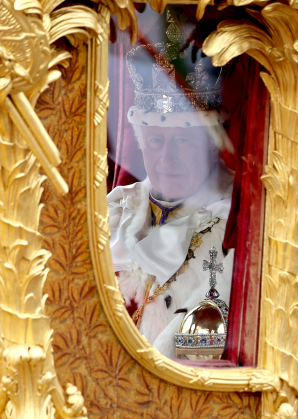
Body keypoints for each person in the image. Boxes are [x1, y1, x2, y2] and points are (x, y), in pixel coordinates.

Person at [107, 38, 234, 358]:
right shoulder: (114, 208)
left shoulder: (233, 223)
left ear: (209, 146)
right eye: (155, 141)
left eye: (182, 140)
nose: (167, 157)